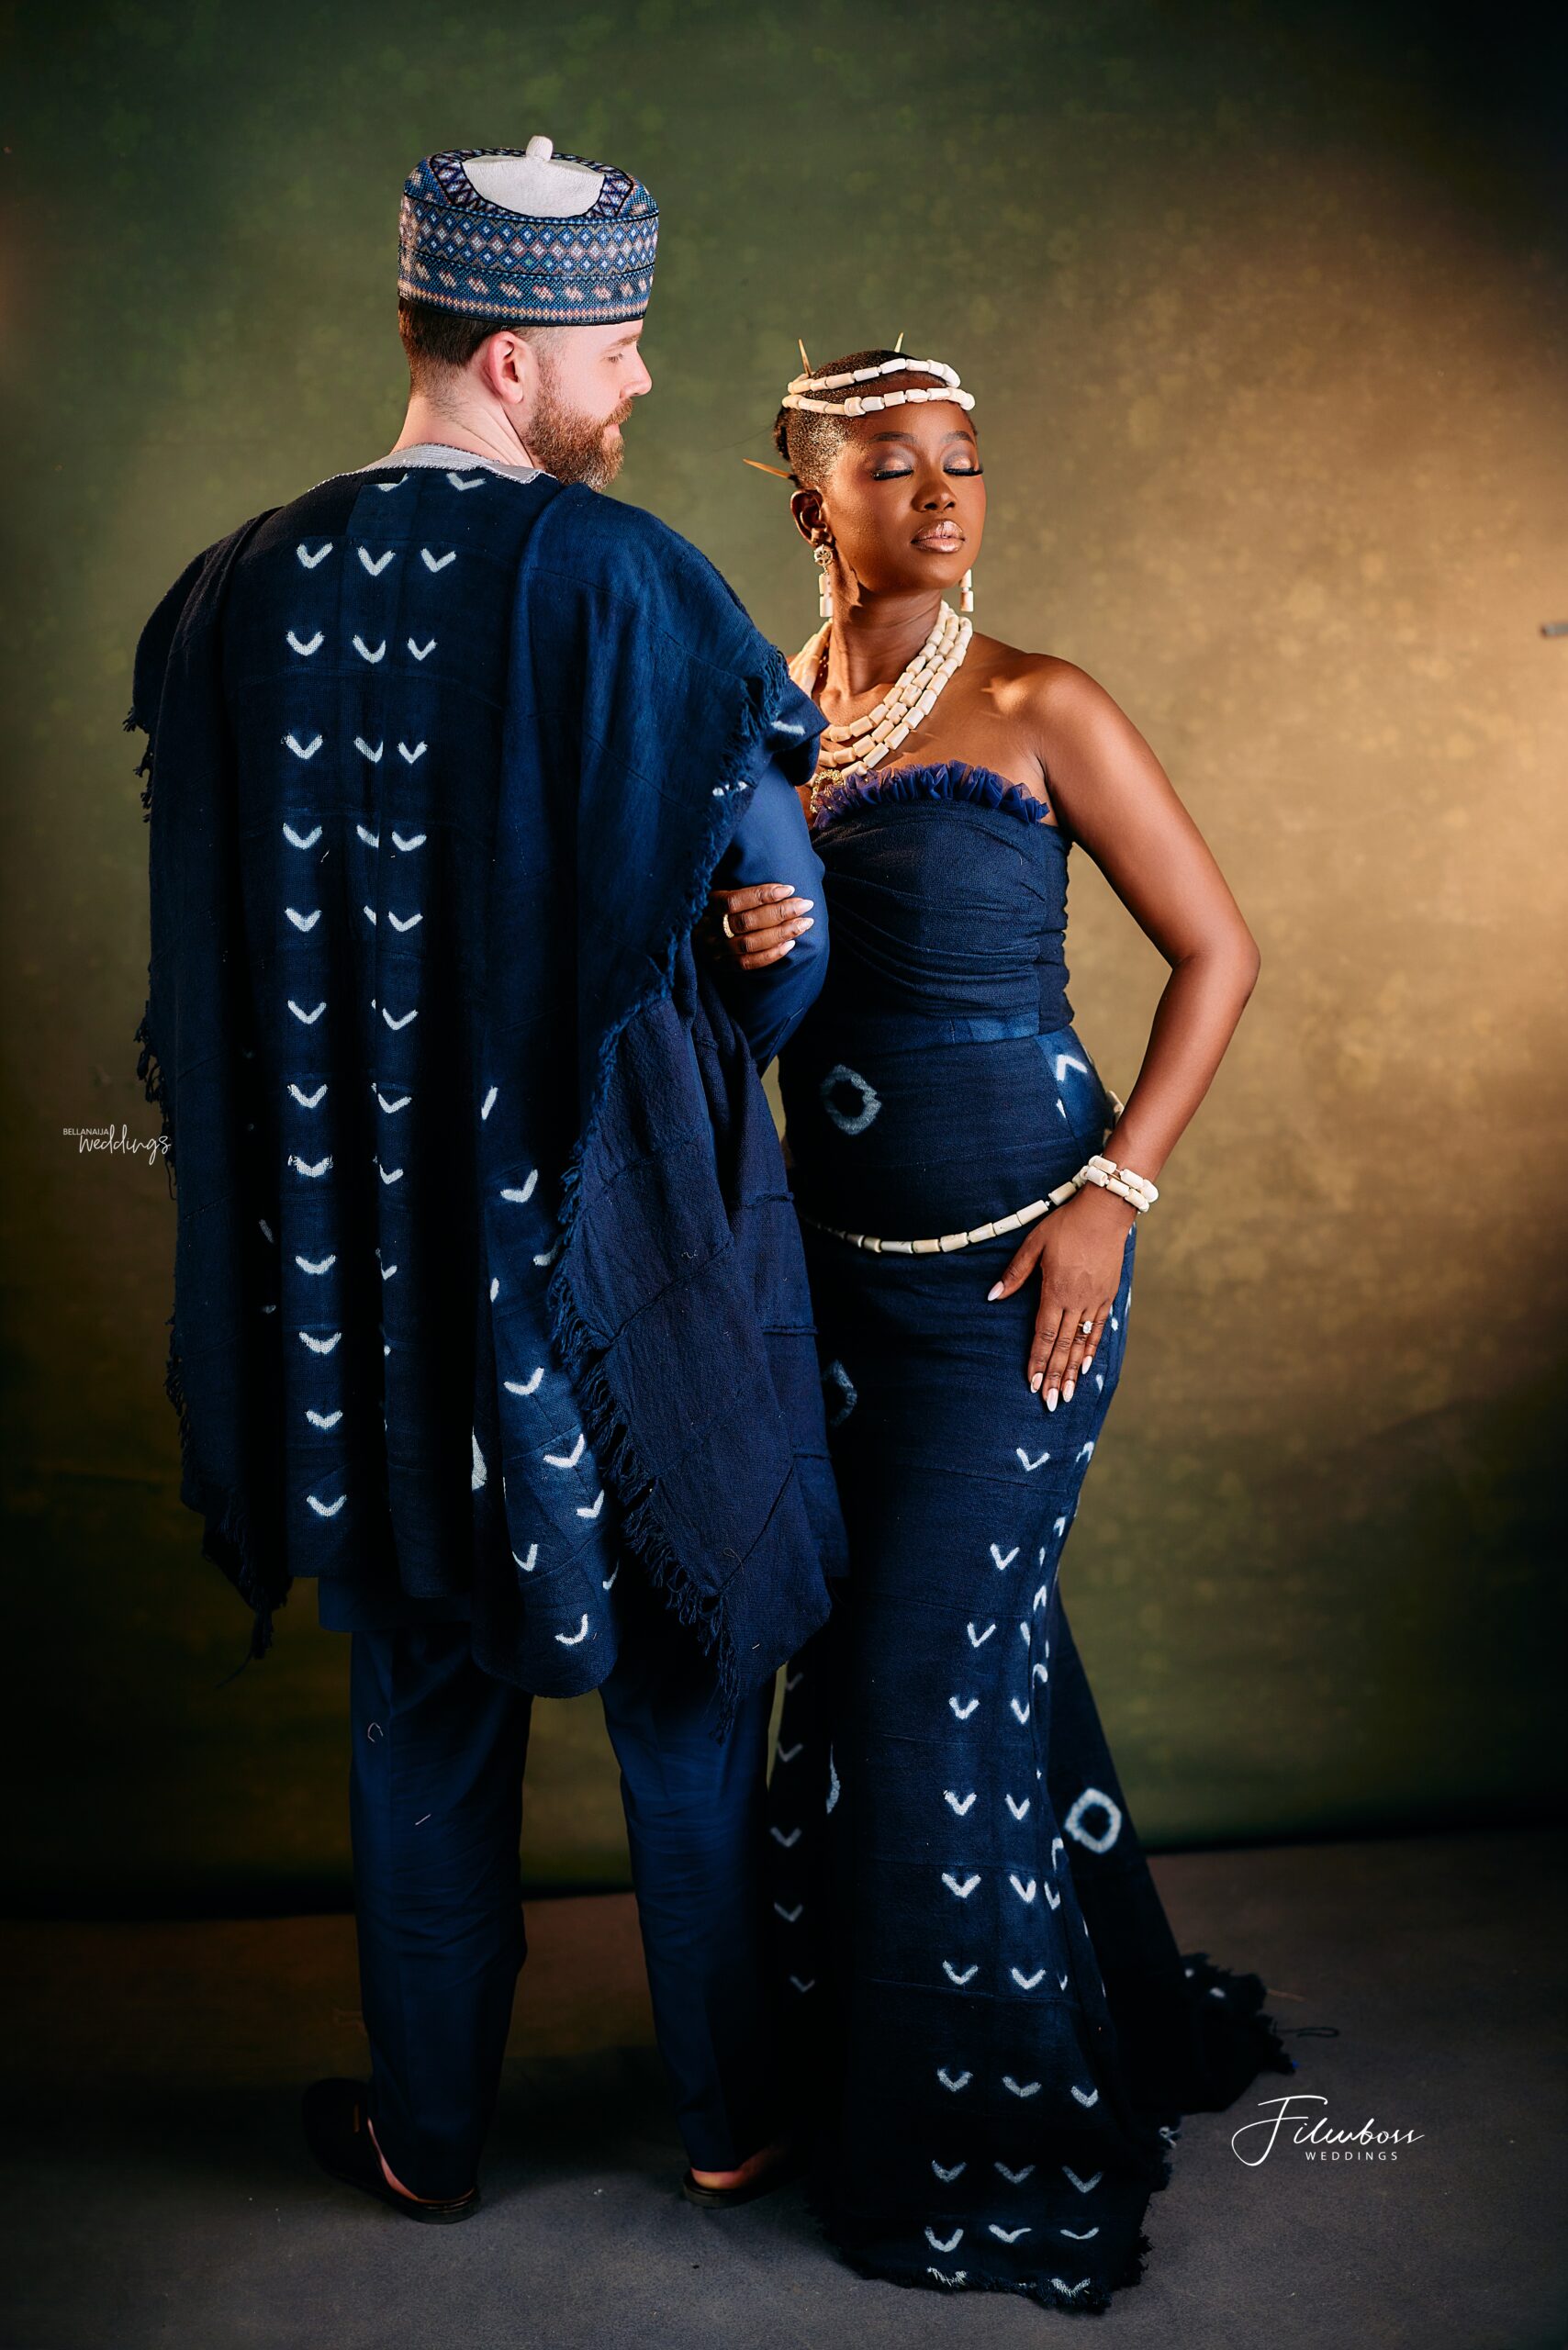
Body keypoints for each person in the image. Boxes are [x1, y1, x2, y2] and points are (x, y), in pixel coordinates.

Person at [127, 141, 846, 2224]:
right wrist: (740, 995)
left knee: (423, 1707)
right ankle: (727, 2119)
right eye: (620, 350)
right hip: (625, 1253)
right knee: (688, 1687)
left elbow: (216, 968)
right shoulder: (633, 581)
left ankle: (427, 2143)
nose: (641, 388)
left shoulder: (231, 590)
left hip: (367, 1273)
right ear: (516, 357)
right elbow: (777, 931)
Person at [708, 347, 1298, 2311]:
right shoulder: (759, 716)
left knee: (915, 1691)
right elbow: (713, 1009)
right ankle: (1008, 2027)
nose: (943, 494)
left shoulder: (1044, 704)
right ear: (814, 498)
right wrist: (735, 944)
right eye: (895, 466)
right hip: (825, 1276)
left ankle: (980, 2136)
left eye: (962, 462)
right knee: (907, 1659)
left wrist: (1110, 1199)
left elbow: (1216, 950)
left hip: (1017, 1276)